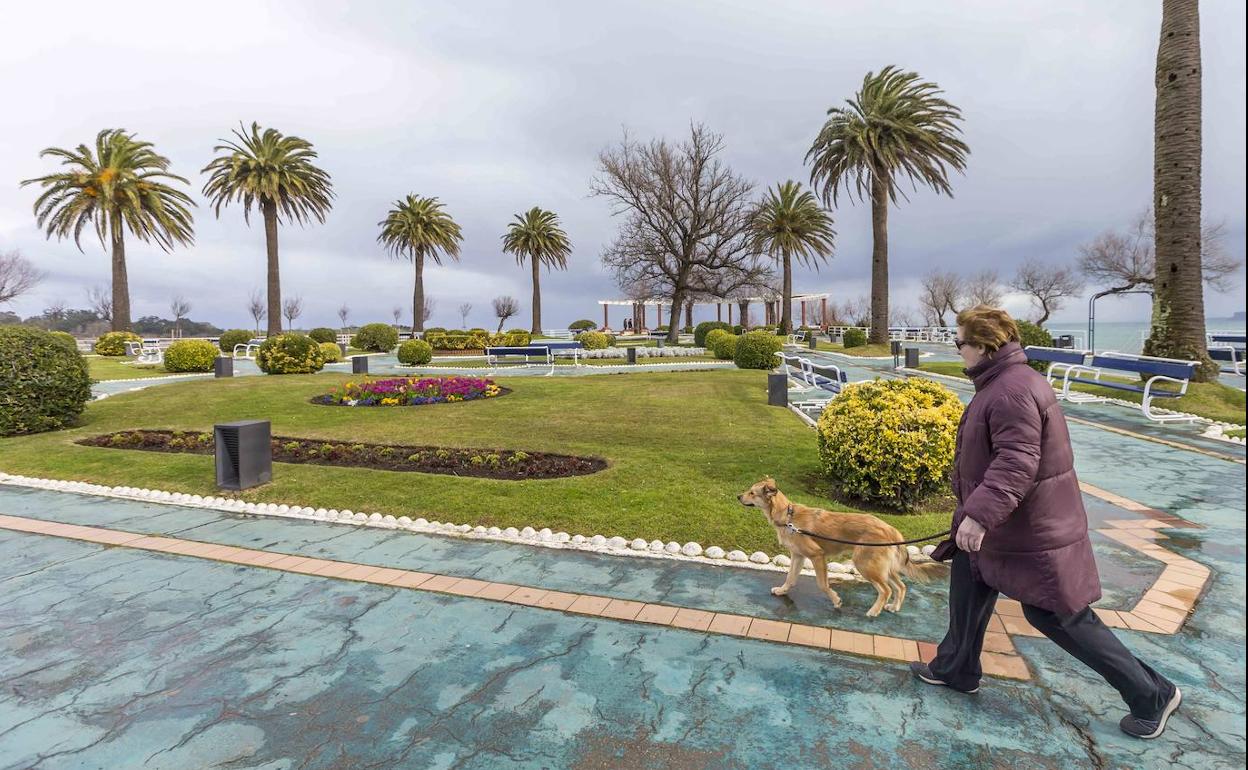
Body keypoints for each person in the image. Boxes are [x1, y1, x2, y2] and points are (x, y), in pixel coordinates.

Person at [910, 305, 1182, 740]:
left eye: (959, 342)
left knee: (1058, 616)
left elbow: (1017, 462)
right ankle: (956, 668)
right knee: (967, 586)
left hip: (1029, 532)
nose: (957, 349)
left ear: (982, 346)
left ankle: (1151, 695)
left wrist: (979, 515)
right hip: (1004, 524)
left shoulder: (1010, 391)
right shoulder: (1004, 382)